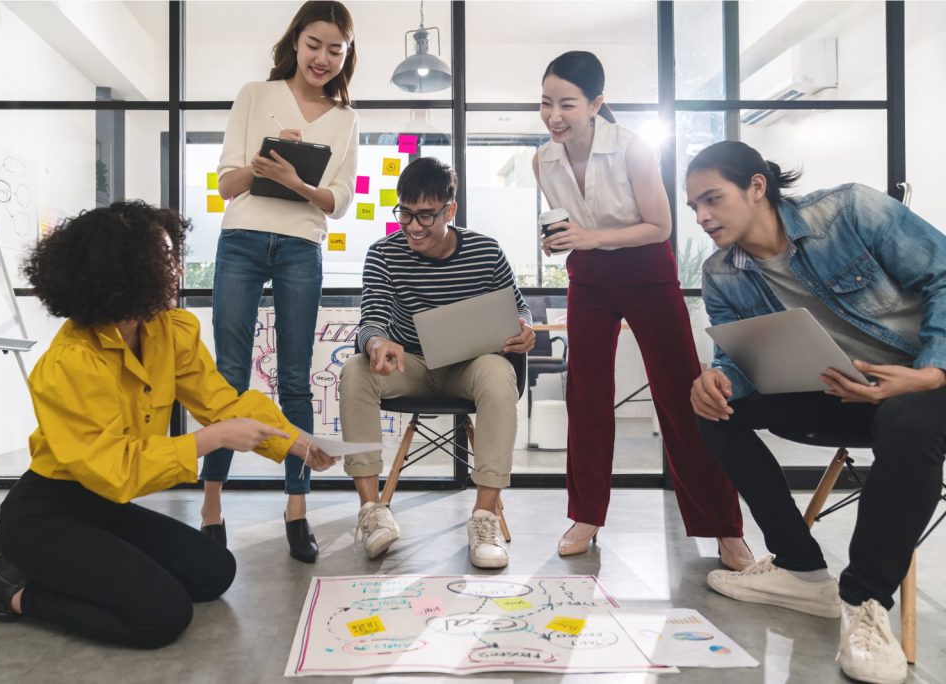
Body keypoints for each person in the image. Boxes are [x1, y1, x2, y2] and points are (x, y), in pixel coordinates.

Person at [0, 201, 335, 648]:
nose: (176, 269)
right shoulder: (70, 362)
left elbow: (220, 402)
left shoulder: (170, 330)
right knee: (161, 616)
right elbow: (117, 470)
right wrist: (209, 440)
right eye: (164, 259)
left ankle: (75, 568)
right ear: (123, 271)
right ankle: (7, 591)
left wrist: (296, 443)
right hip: (48, 510)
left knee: (215, 572)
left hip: (102, 505)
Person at [687, 140, 946, 684]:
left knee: (907, 419)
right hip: (843, 394)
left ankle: (865, 603)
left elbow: (944, 276)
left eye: (712, 199)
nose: (703, 216)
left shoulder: (851, 210)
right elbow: (738, 358)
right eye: (694, 207)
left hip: (925, 386)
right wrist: (718, 380)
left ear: (757, 186)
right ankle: (800, 570)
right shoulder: (722, 273)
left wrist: (930, 372)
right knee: (711, 410)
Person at [532, 51, 750, 565]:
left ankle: (723, 526)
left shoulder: (631, 148)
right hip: (588, 277)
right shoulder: (542, 159)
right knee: (586, 397)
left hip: (647, 272)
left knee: (682, 395)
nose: (554, 116)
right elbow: (572, 227)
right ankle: (586, 514)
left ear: (596, 104)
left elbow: (661, 226)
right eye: (545, 104)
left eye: (567, 104)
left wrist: (590, 235)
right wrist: (562, 241)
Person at [202, 1, 359, 562]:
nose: (323, 58)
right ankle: (211, 505)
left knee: (295, 378)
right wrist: (268, 163)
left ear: (346, 55)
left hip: (301, 245)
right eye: (314, 44)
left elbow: (339, 201)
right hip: (242, 239)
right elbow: (226, 183)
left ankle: (297, 508)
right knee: (230, 375)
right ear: (296, 42)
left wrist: (296, 179)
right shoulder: (255, 94)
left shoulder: (345, 119)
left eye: (335, 49)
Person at [338, 157, 535, 569]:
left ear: (450, 210)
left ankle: (484, 519)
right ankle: (372, 511)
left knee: (499, 374)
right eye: (405, 213)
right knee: (355, 371)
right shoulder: (384, 254)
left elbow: (519, 310)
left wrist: (524, 330)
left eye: (425, 215)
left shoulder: (485, 250)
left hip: (469, 368)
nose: (412, 226)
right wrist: (376, 343)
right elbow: (371, 316)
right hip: (409, 365)